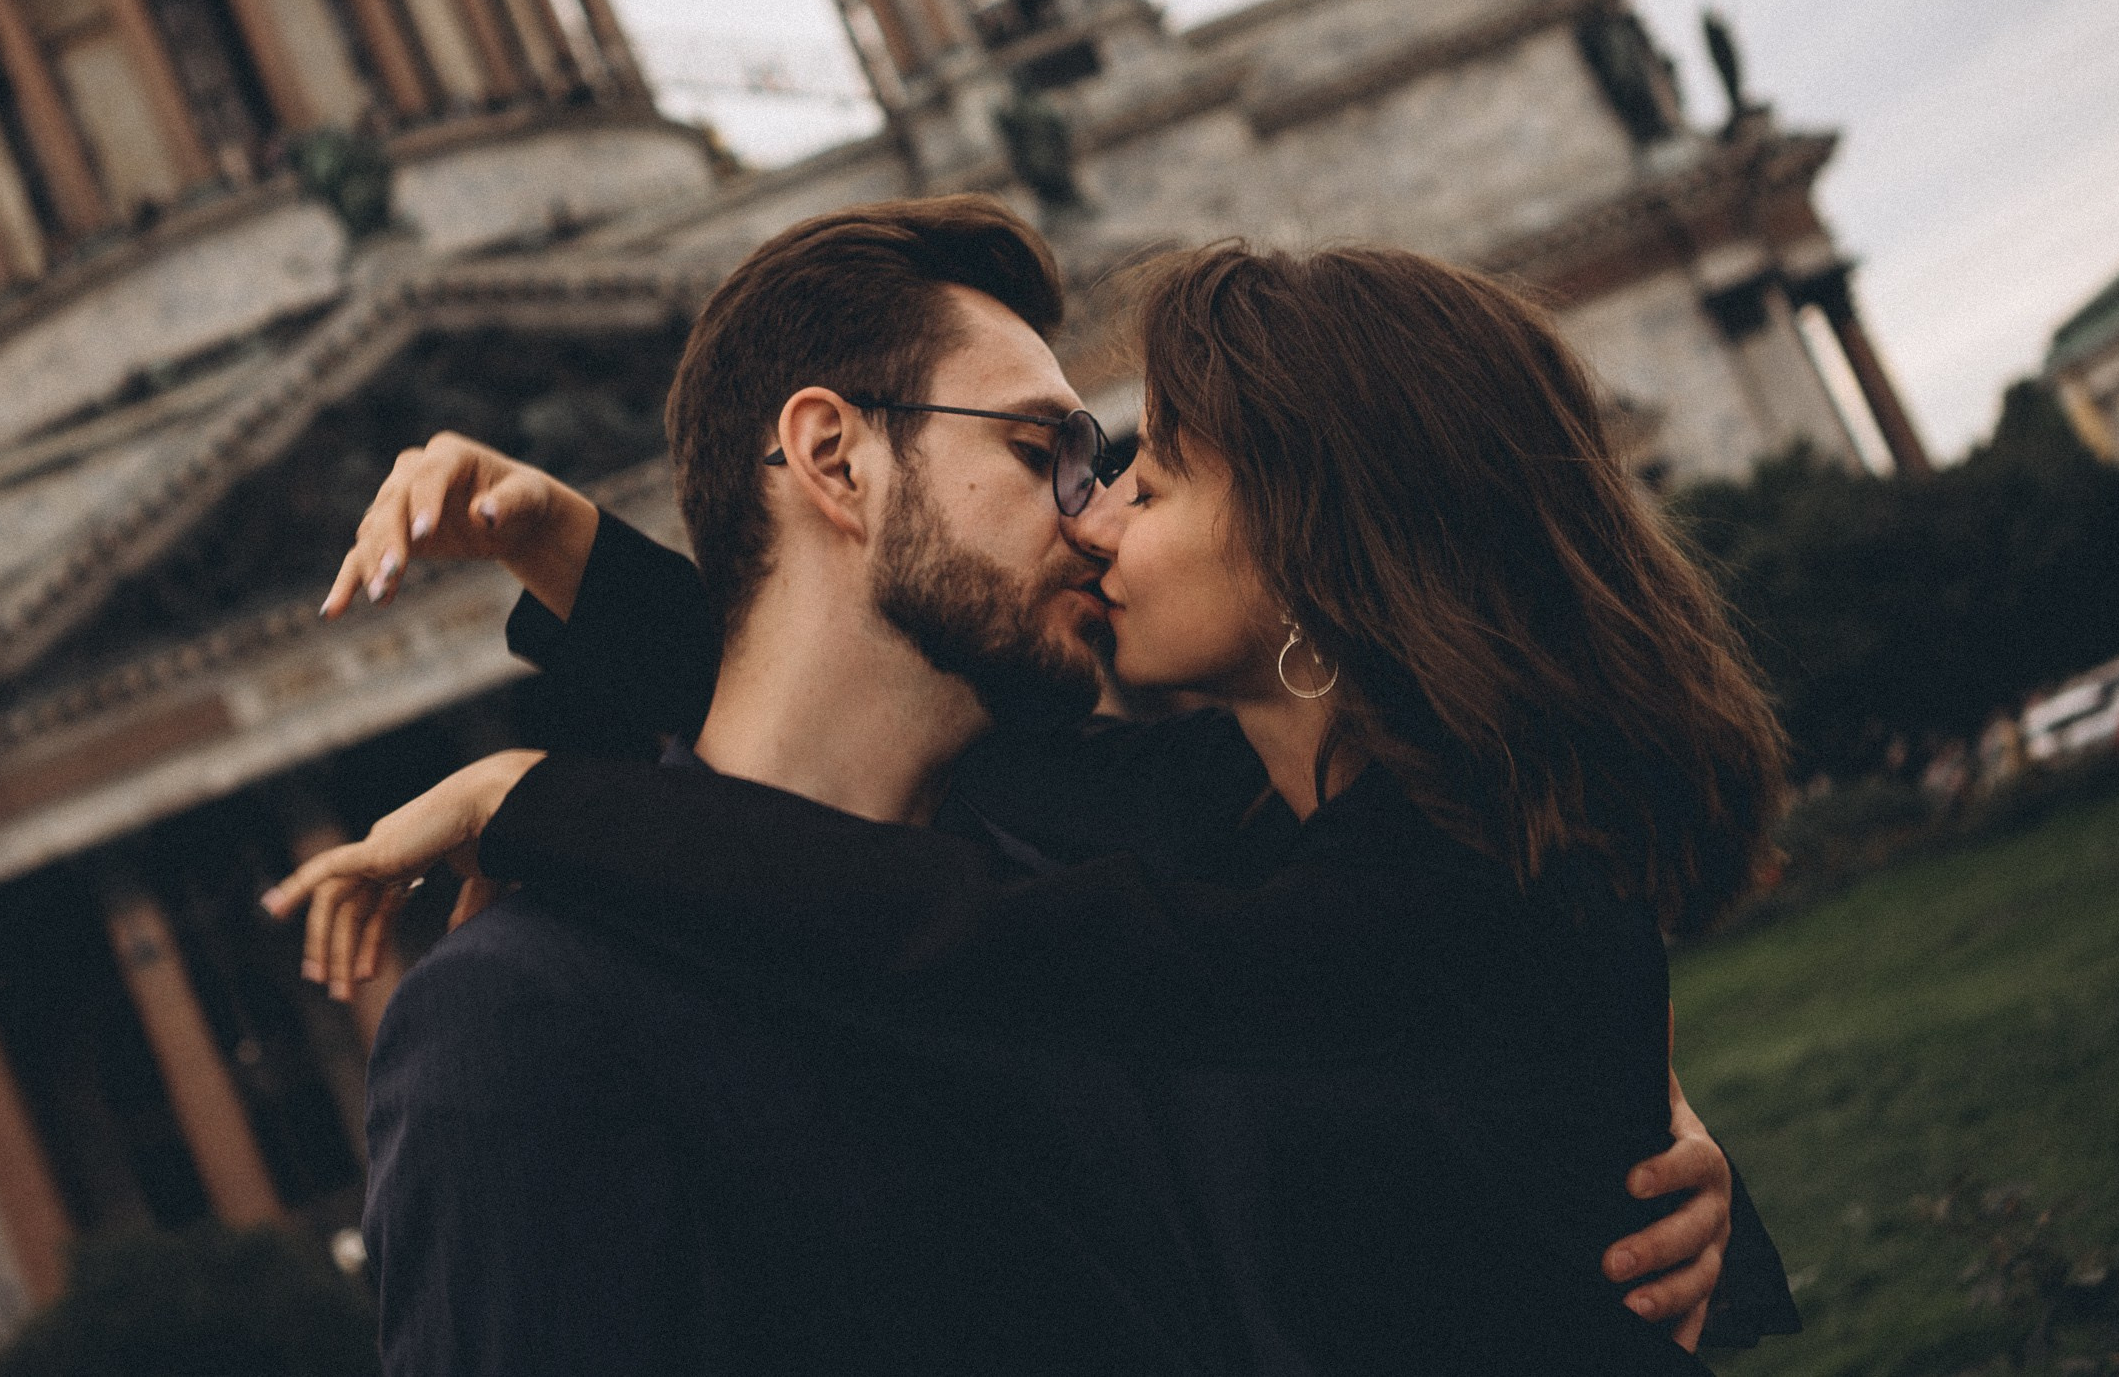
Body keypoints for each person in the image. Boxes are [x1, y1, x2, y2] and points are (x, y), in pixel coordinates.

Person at [270, 200, 1788, 1374]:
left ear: (1319, 557)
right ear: (836, 462)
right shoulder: (527, 1026)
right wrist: (579, 564)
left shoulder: (1193, 894)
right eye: (1050, 450)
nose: (1100, 512)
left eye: (1142, 469)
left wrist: (536, 793)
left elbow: (948, 927)